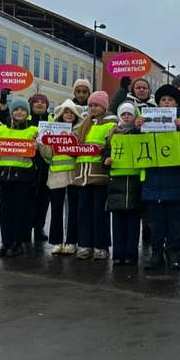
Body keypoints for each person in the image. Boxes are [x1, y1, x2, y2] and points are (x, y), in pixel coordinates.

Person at [140, 84, 180, 270]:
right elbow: (136, 146)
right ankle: (156, 253)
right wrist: (137, 129)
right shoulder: (148, 120)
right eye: (163, 99)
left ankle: (174, 252)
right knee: (155, 221)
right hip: (153, 179)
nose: (167, 102)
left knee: (176, 220)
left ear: (176, 104)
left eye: (171, 100)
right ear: (158, 103)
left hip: (177, 179)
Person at [1, 90, 53, 245]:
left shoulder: (53, 121)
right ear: (31, 105)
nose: (39, 104)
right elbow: (5, 119)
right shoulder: (25, 120)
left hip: (45, 166)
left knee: (43, 200)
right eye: (36, 101)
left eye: (43, 102)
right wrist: (3, 101)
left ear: (47, 106)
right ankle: (26, 230)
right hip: (27, 167)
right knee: (26, 201)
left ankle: (39, 227)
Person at [73, 91, 117, 260]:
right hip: (82, 176)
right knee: (83, 213)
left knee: (100, 213)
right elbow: (75, 144)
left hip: (99, 175)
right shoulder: (84, 124)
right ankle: (84, 244)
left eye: (96, 105)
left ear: (104, 107)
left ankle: (101, 245)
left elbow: (111, 145)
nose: (93, 108)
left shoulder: (110, 124)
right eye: (90, 105)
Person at [0, 97, 39, 257]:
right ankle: (6, 242)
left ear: (27, 113)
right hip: (3, 176)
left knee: (20, 211)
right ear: (12, 112)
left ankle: (17, 243)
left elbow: (40, 153)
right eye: (16, 109)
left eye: (23, 110)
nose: (19, 112)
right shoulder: (1, 130)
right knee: (4, 211)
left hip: (23, 177)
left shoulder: (33, 130)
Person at [103, 102, 142, 266]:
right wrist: (106, 159)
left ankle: (131, 255)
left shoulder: (139, 133)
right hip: (116, 182)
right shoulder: (112, 133)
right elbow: (105, 150)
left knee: (133, 223)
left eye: (130, 114)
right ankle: (118, 254)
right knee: (117, 222)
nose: (126, 117)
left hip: (134, 181)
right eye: (124, 114)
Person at [41, 99, 81, 255]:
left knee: (72, 211)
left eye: (71, 112)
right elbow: (47, 156)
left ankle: (71, 241)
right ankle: (57, 241)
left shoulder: (79, 130)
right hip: (56, 175)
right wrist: (42, 143)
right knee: (56, 210)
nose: (69, 115)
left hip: (74, 175)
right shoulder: (52, 130)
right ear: (60, 114)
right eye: (66, 112)